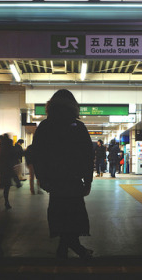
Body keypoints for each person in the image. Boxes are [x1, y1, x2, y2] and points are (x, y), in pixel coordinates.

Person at [32, 89, 94, 260]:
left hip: (54, 180)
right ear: (73, 107)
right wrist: (88, 181)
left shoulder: (45, 126)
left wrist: (41, 178)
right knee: (73, 214)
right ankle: (73, 247)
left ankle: (66, 248)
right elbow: (89, 155)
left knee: (60, 213)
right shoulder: (78, 127)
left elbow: (37, 154)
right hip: (73, 180)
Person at [0, 134, 20, 209]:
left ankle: (6, 201)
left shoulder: (1, 147)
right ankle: (6, 202)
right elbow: (15, 155)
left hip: (2, 168)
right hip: (8, 168)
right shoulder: (10, 146)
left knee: (3, 185)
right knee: (6, 186)